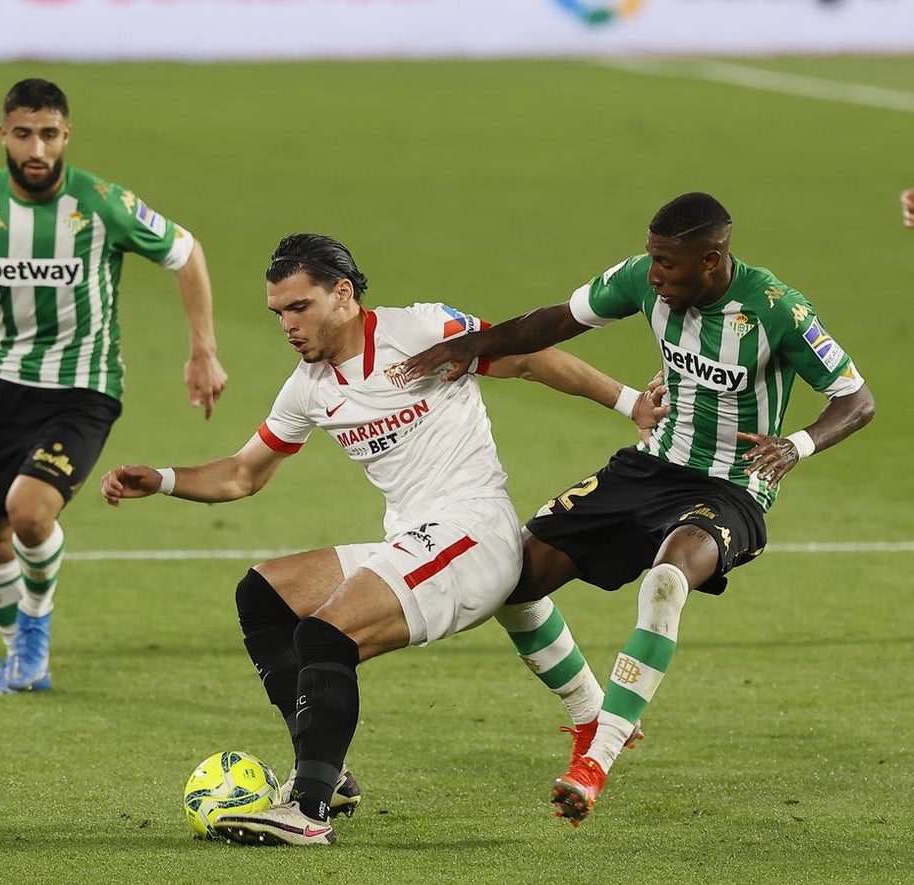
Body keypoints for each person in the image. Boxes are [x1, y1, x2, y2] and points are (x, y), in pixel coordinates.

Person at [100, 232, 662, 846]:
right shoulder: (309, 386)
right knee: (264, 596)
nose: (287, 324)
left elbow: (528, 357)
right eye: (278, 312)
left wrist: (630, 401)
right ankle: (326, 772)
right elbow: (242, 473)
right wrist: (162, 479)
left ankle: (308, 811)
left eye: (298, 307)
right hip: (414, 540)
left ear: (342, 294)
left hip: (474, 530)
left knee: (325, 633)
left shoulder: (421, 330)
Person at [402, 192, 876, 826]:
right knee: (508, 583)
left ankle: (594, 763)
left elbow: (856, 399)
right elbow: (556, 322)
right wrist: (475, 345)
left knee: (666, 580)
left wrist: (798, 443)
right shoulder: (642, 281)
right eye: (652, 259)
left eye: (668, 265)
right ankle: (591, 714)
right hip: (651, 467)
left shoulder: (777, 311)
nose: (654, 275)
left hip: (732, 486)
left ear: (712, 259)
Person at [0, 78, 228, 697]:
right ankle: (18, 660)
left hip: (85, 387)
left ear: (66, 135)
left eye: (48, 134)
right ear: (3, 135)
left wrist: (204, 348)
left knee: (28, 513)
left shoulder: (101, 203)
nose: (35, 148)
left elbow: (186, 251)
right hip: (4, 386)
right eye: (22, 134)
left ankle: (35, 633)